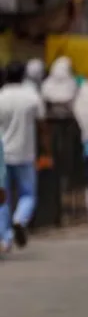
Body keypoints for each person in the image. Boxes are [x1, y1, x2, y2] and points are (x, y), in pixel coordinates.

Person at [0, 61, 47, 252]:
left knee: (3, 198)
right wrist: (46, 149)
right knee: (28, 194)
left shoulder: (1, 97)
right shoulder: (32, 97)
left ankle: (5, 239)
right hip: (25, 153)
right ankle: (20, 219)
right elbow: (42, 125)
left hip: (3, 154)